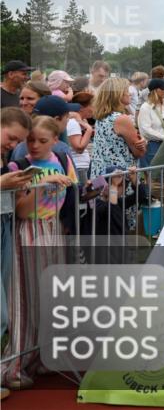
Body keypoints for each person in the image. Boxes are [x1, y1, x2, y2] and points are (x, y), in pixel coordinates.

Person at [2, 116, 75, 388]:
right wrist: (42, 184)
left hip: (53, 229)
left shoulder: (62, 160)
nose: (34, 145)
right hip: (28, 231)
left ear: (55, 140)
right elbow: (21, 210)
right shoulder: (18, 166)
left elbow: (71, 197)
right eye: (30, 140)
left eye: (42, 140)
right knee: (25, 298)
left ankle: (44, 357)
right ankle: (14, 365)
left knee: (51, 297)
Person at [1, 107, 32, 400]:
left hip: (5, 225)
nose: (13, 146)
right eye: (11, 138)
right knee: (1, 313)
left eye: (16, 142)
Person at [89, 77, 147, 180]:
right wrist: (143, 144)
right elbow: (139, 153)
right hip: (120, 179)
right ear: (118, 94)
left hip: (100, 177)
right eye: (126, 90)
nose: (129, 93)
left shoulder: (101, 117)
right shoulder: (121, 119)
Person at [136, 78, 164, 167]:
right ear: (155, 90)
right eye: (163, 89)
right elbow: (145, 130)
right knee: (154, 173)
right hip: (153, 146)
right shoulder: (145, 107)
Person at [66, 92, 95, 181]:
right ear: (82, 108)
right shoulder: (73, 123)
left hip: (82, 166)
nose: (95, 108)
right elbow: (79, 148)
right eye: (92, 106)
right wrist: (89, 129)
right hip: (78, 166)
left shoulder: (80, 122)